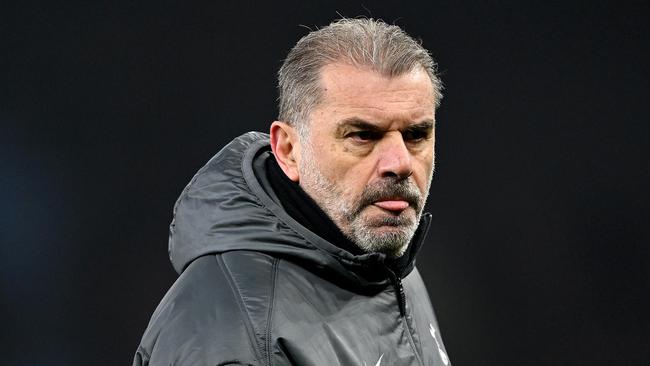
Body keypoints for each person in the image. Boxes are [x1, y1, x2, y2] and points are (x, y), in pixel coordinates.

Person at [134, 18, 450, 366]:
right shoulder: (230, 333)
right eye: (362, 135)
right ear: (287, 150)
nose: (400, 162)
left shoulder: (389, 266)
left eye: (417, 135)